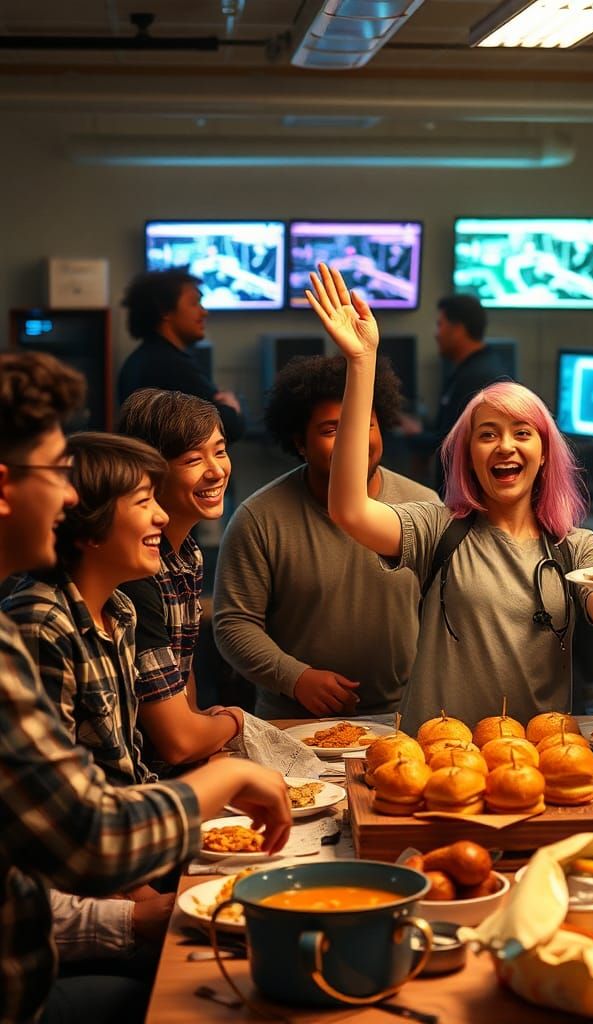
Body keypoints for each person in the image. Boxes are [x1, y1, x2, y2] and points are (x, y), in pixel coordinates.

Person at [0, 350, 289, 1024]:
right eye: (58, 476)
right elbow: (93, 836)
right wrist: (222, 779)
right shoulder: (33, 622)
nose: (71, 498)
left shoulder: (120, 609)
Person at [306, 263, 593, 731]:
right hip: (437, 761)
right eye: (488, 434)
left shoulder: (575, 549)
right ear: (469, 456)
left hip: (537, 769)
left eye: (522, 433)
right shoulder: (438, 529)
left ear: (544, 454)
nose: (506, 446)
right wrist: (361, 363)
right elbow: (348, 508)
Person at [2, 433, 182, 984]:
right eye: (145, 501)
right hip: (74, 899)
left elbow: (123, 774)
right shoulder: (40, 623)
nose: (162, 516)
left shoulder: (119, 611)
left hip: (122, 861)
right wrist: (141, 903)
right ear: (91, 528)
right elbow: (63, 826)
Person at [214, 354, 438, 719]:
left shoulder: (423, 506)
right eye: (333, 430)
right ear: (299, 442)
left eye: (365, 425)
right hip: (291, 718)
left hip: (403, 715)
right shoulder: (259, 519)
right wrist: (295, 678)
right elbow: (234, 624)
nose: (354, 442)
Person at [116, 389, 244, 769]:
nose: (217, 470)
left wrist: (203, 724)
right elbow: (178, 742)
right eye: (193, 459)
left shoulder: (187, 552)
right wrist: (233, 720)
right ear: (149, 472)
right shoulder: (134, 571)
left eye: (220, 451)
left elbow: (180, 679)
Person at [117, 268, 245, 443]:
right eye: (194, 303)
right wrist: (231, 406)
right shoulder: (171, 366)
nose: (204, 312)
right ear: (165, 310)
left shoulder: (141, 359)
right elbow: (226, 427)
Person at [401, 293, 512, 488]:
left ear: (458, 330)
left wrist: (416, 438)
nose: (436, 333)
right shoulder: (470, 368)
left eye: (440, 324)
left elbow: (456, 441)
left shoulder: (478, 378)